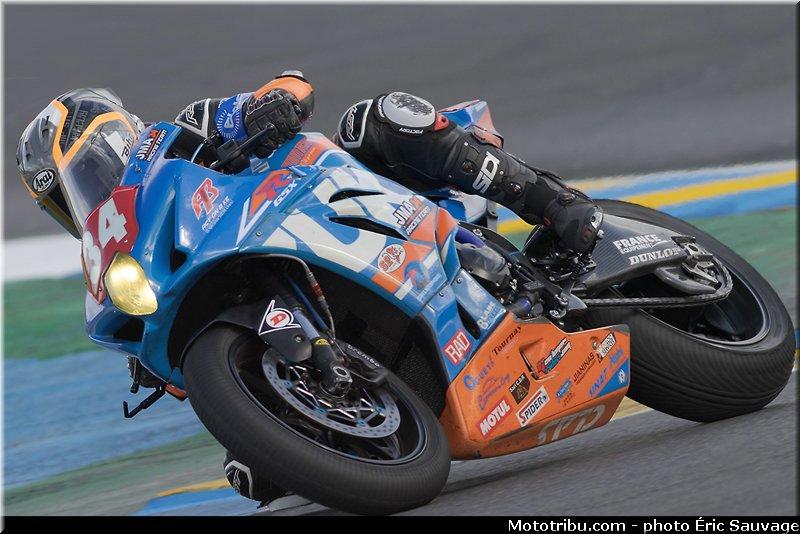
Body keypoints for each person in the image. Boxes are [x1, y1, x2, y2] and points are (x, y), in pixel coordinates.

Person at [17, 70, 603, 506]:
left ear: (117, 136)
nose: (85, 191)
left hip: (348, 206)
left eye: (89, 167)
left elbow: (290, 85)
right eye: (66, 196)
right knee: (255, 478)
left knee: (381, 119)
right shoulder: (127, 251)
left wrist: (273, 103)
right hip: (266, 285)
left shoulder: (188, 128)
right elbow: (213, 388)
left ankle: (556, 204)